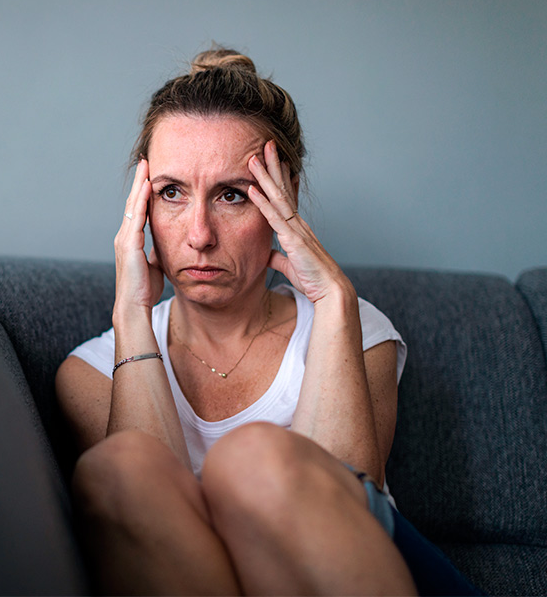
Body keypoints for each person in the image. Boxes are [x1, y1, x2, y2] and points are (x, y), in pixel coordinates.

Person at [56, 47, 480, 596]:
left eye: (232, 195)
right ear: (141, 211)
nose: (199, 234)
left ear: (285, 200)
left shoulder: (355, 330)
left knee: (252, 460)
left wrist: (333, 301)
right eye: (171, 193)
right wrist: (131, 315)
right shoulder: (91, 374)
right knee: (117, 468)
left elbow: (346, 504)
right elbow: (154, 523)